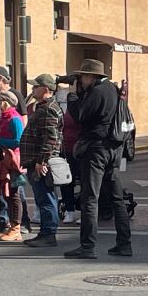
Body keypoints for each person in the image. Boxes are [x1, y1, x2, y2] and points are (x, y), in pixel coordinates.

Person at [65, 58, 132, 259]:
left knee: (90, 197)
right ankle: (124, 243)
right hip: (114, 148)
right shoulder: (112, 89)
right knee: (116, 197)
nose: (80, 81)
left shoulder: (96, 92)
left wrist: (71, 96)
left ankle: (87, 246)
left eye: (82, 76)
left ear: (90, 76)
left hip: (96, 149)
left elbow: (80, 115)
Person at [21, 74, 64, 248]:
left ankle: (48, 233)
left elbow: (50, 138)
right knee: (44, 197)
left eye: (35, 87)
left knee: (45, 197)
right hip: (36, 159)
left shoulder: (48, 109)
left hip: (40, 161)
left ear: (46, 89)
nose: (32, 89)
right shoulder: (45, 107)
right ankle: (45, 232)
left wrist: (42, 161)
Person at [0, 90, 25, 242]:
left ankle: (16, 228)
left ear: (5, 102)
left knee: (14, 194)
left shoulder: (14, 118)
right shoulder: (3, 117)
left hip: (13, 160)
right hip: (4, 158)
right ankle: (11, 225)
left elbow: (19, 140)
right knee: (7, 193)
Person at [55, 81, 80, 224]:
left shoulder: (79, 108)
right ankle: (69, 210)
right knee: (66, 182)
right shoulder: (64, 110)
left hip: (80, 151)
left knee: (84, 182)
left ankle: (84, 211)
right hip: (66, 150)